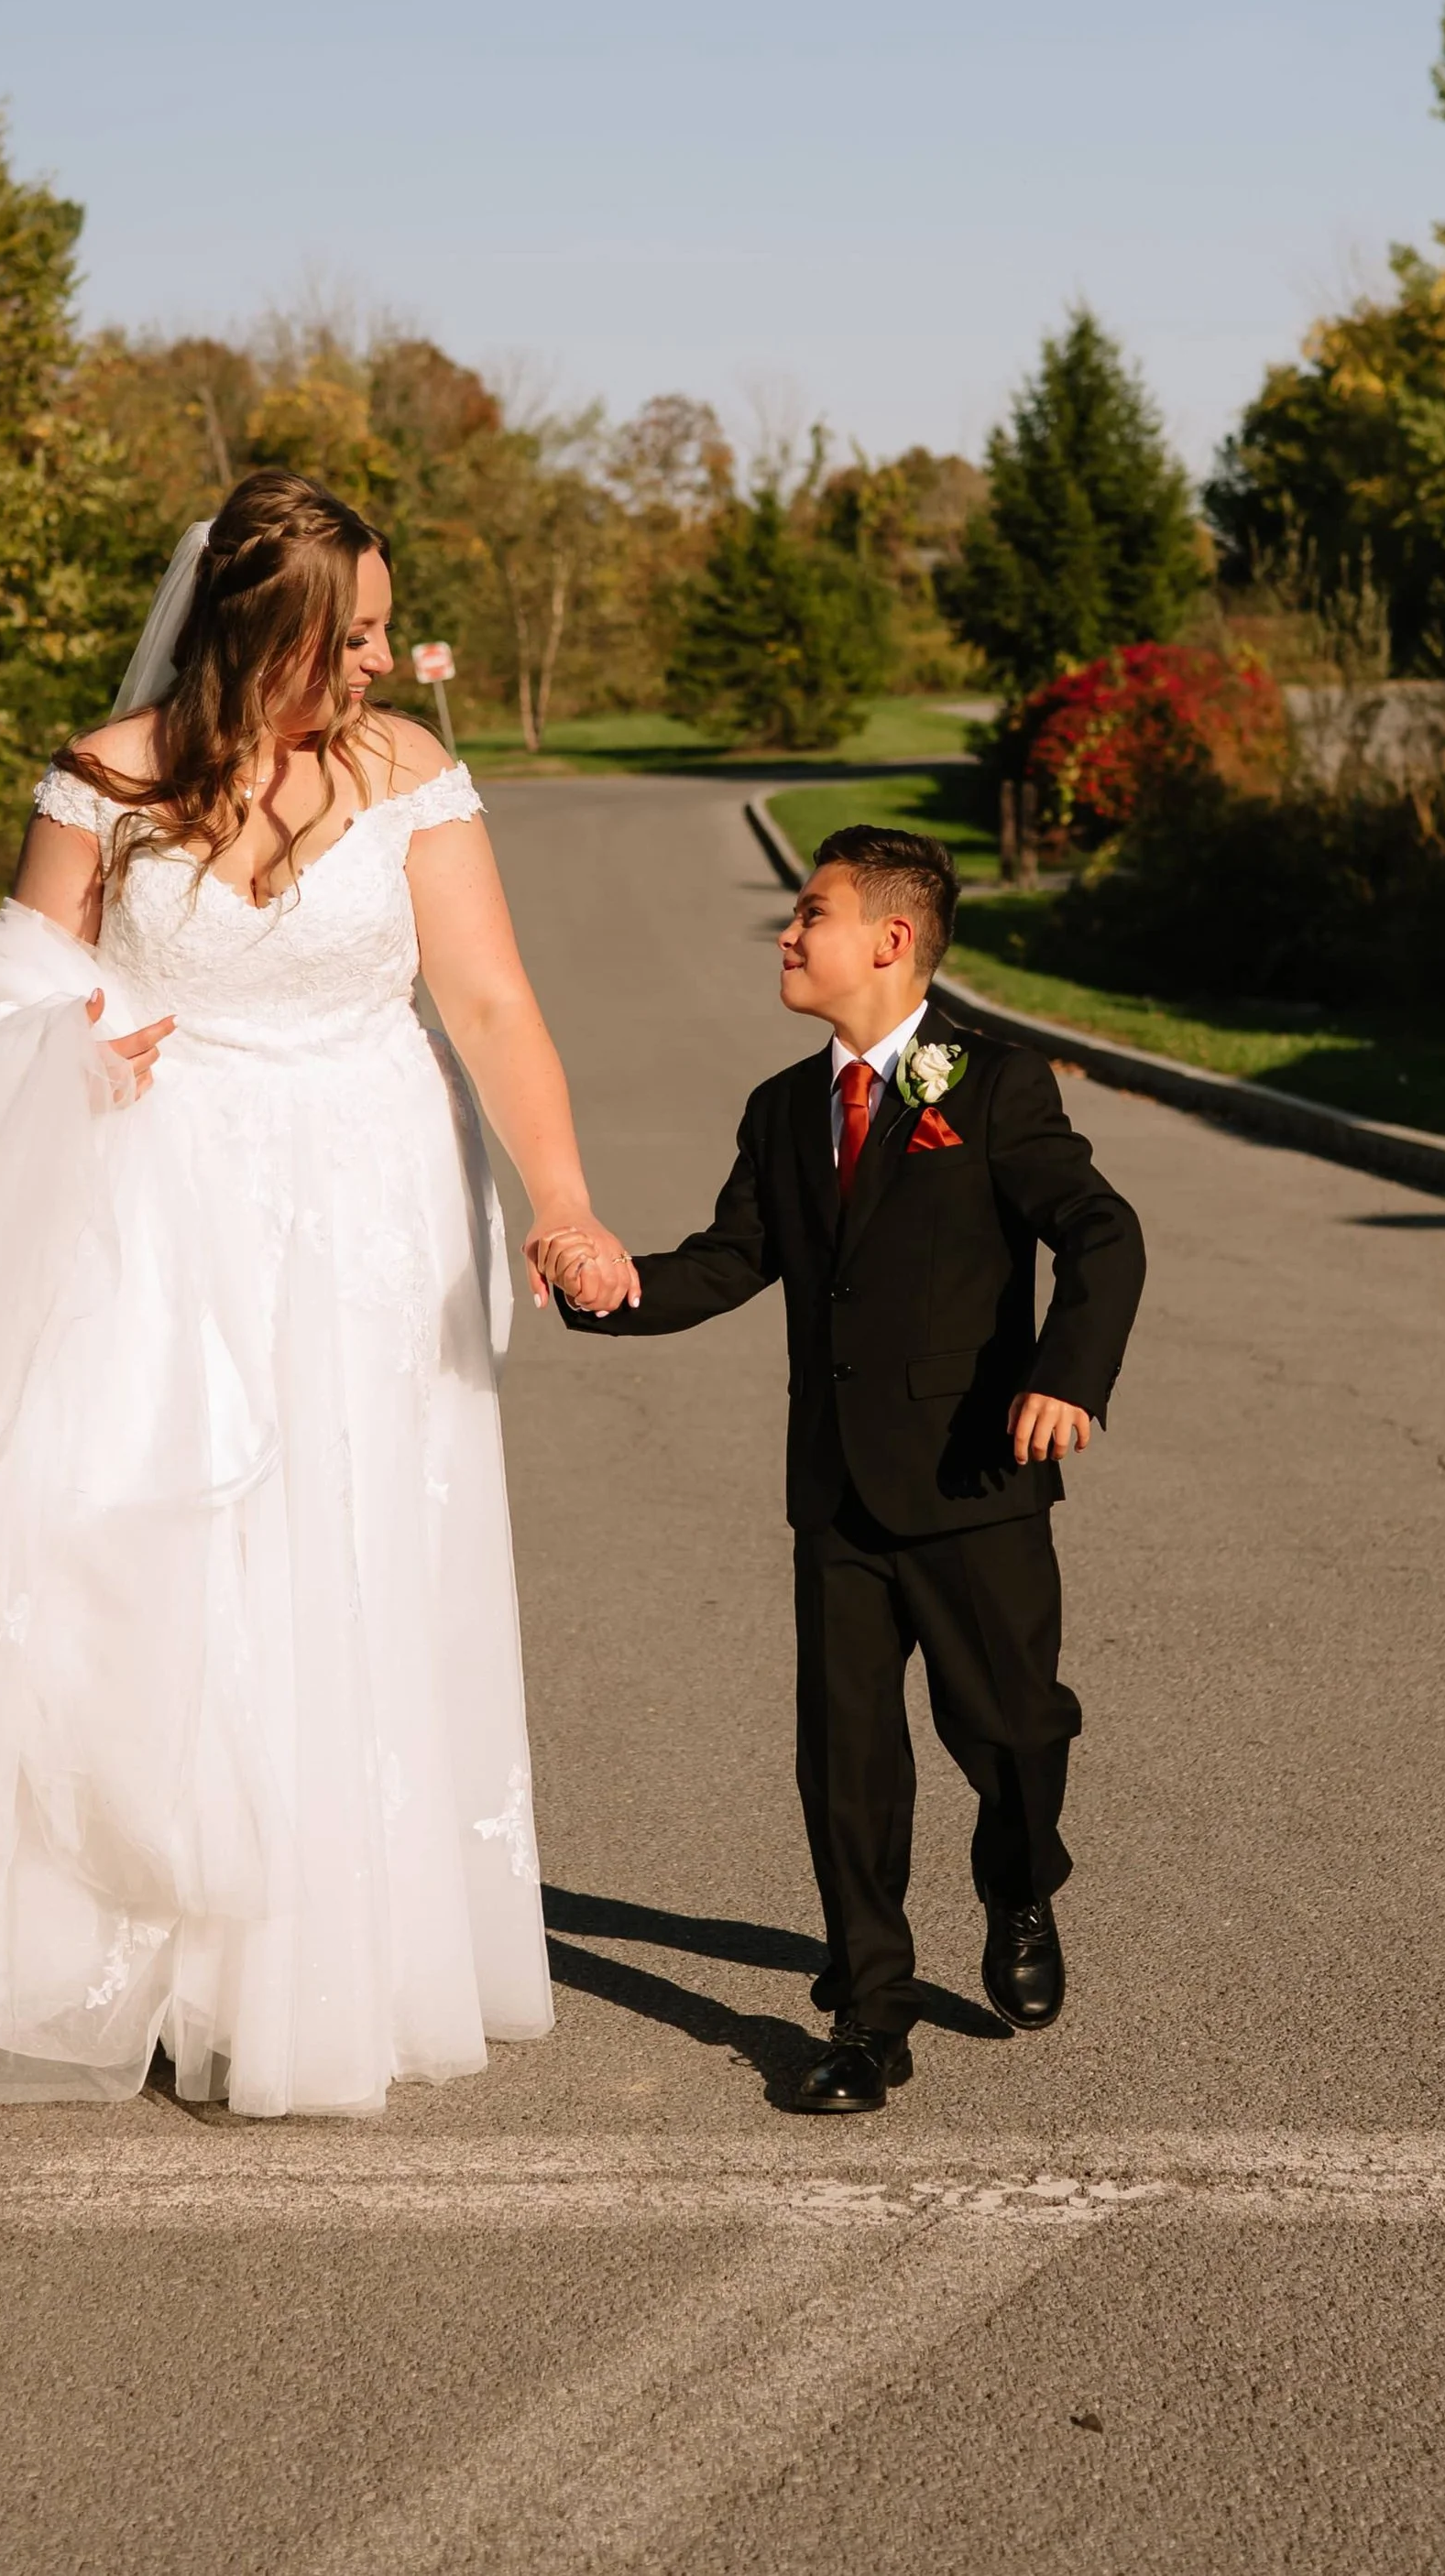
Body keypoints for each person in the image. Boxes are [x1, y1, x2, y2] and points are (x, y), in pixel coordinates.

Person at [0, 469, 635, 2114]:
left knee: (349, 1547)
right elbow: (9, 981)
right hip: (155, 1205)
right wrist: (66, 1035)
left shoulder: (407, 773)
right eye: (360, 636)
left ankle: (330, 1954)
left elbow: (489, 994)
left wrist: (567, 1200)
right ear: (267, 634)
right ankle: (160, 1948)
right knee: (153, 1555)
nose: (383, 665)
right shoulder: (107, 778)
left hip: (367, 1203)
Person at [553, 825, 1144, 2115]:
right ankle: (871, 2013)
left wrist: (1065, 1374)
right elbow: (731, 1256)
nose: (786, 932)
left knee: (1015, 1732)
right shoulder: (781, 1110)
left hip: (978, 1478)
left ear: (888, 938)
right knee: (848, 1761)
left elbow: (1103, 1231)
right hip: (835, 1498)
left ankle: (1018, 1878)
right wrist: (617, 1285)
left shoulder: (989, 1087)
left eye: (808, 912)